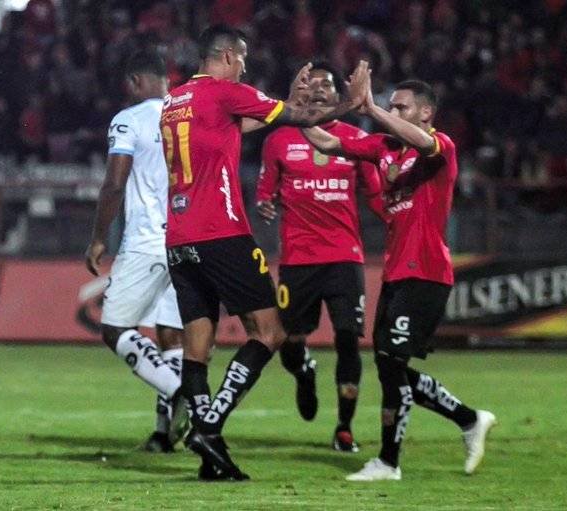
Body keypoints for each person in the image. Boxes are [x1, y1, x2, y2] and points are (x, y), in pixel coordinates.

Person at [161, 25, 371, 481]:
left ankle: (211, 454)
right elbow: (300, 116)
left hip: (178, 238)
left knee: (197, 346)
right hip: (222, 232)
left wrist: (285, 104)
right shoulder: (226, 91)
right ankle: (209, 426)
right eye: (243, 59)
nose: (245, 67)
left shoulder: (175, 101)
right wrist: (350, 104)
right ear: (228, 56)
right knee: (270, 332)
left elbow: (243, 124)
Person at [304, 79, 496, 481]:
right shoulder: (384, 149)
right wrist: (291, 112)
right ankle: (468, 419)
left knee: (391, 363)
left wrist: (372, 110)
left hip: (426, 272)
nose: (394, 113)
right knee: (389, 366)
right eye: (391, 106)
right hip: (396, 274)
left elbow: (423, 143)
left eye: (401, 107)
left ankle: (389, 462)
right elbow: (327, 143)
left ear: (426, 113)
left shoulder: (441, 147)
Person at [256, 61, 383, 452]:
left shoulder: (354, 138)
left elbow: (376, 194)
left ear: (337, 94)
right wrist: (264, 204)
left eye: (325, 85)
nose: (316, 90)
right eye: (309, 84)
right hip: (298, 258)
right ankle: (304, 373)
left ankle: (344, 428)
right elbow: (265, 191)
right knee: (289, 342)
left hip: (345, 256)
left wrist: (399, 220)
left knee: (348, 338)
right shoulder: (279, 140)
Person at [84, 49, 188, 452]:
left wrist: (98, 237)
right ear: (167, 80)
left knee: (115, 328)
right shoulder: (187, 116)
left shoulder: (129, 119)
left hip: (148, 240)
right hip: (191, 239)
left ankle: (180, 392)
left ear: (134, 81)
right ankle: (164, 434)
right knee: (172, 335)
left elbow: (114, 184)